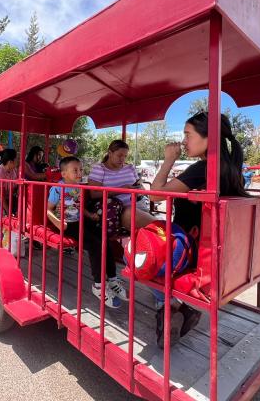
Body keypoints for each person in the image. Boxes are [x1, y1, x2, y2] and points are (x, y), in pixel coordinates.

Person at [149, 112, 248, 347]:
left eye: (188, 135)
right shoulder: (231, 170)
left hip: (187, 249)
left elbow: (154, 195)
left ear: (208, 138)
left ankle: (170, 306)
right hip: (213, 250)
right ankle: (173, 307)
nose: (184, 141)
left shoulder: (203, 168)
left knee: (136, 252)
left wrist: (168, 160)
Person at [47, 156, 127, 309]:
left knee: (105, 237)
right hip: (68, 225)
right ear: (63, 174)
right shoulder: (57, 189)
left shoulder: (77, 187)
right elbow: (48, 210)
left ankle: (112, 278)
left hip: (80, 221)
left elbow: (78, 206)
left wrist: (89, 215)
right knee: (95, 245)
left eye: (81, 170)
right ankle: (98, 286)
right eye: (75, 170)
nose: (79, 173)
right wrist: (58, 222)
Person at [88, 140, 154, 231]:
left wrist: (140, 190)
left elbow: (141, 187)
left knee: (151, 226)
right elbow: (94, 194)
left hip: (138, 205)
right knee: (154, 226)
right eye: (119, 155)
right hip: (117, 211)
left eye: (125, 156)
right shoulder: (100, 169)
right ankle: (170, 231)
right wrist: (121, 189)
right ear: (110, 153)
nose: (122, 159)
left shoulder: (130, 167)